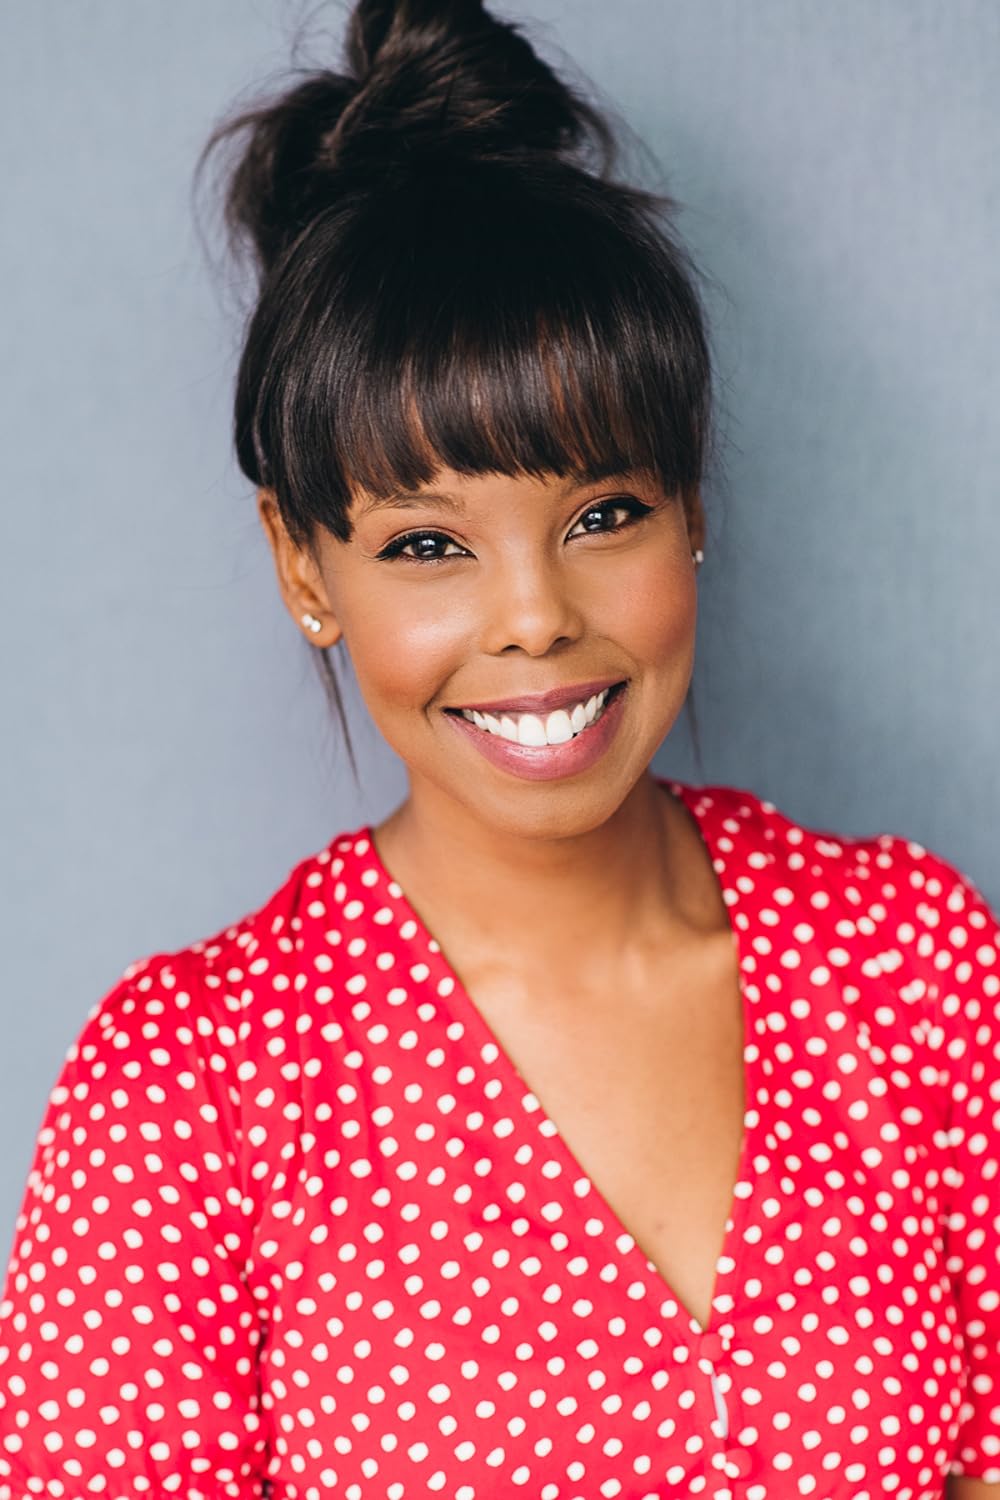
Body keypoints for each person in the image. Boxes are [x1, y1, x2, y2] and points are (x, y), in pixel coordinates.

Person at [0, 1, 997, 1495]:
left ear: (692, 504)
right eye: (427, 544)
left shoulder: (913, 965)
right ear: (303, 566)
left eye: (605, 514)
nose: (535, 619)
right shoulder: (186, 1093)